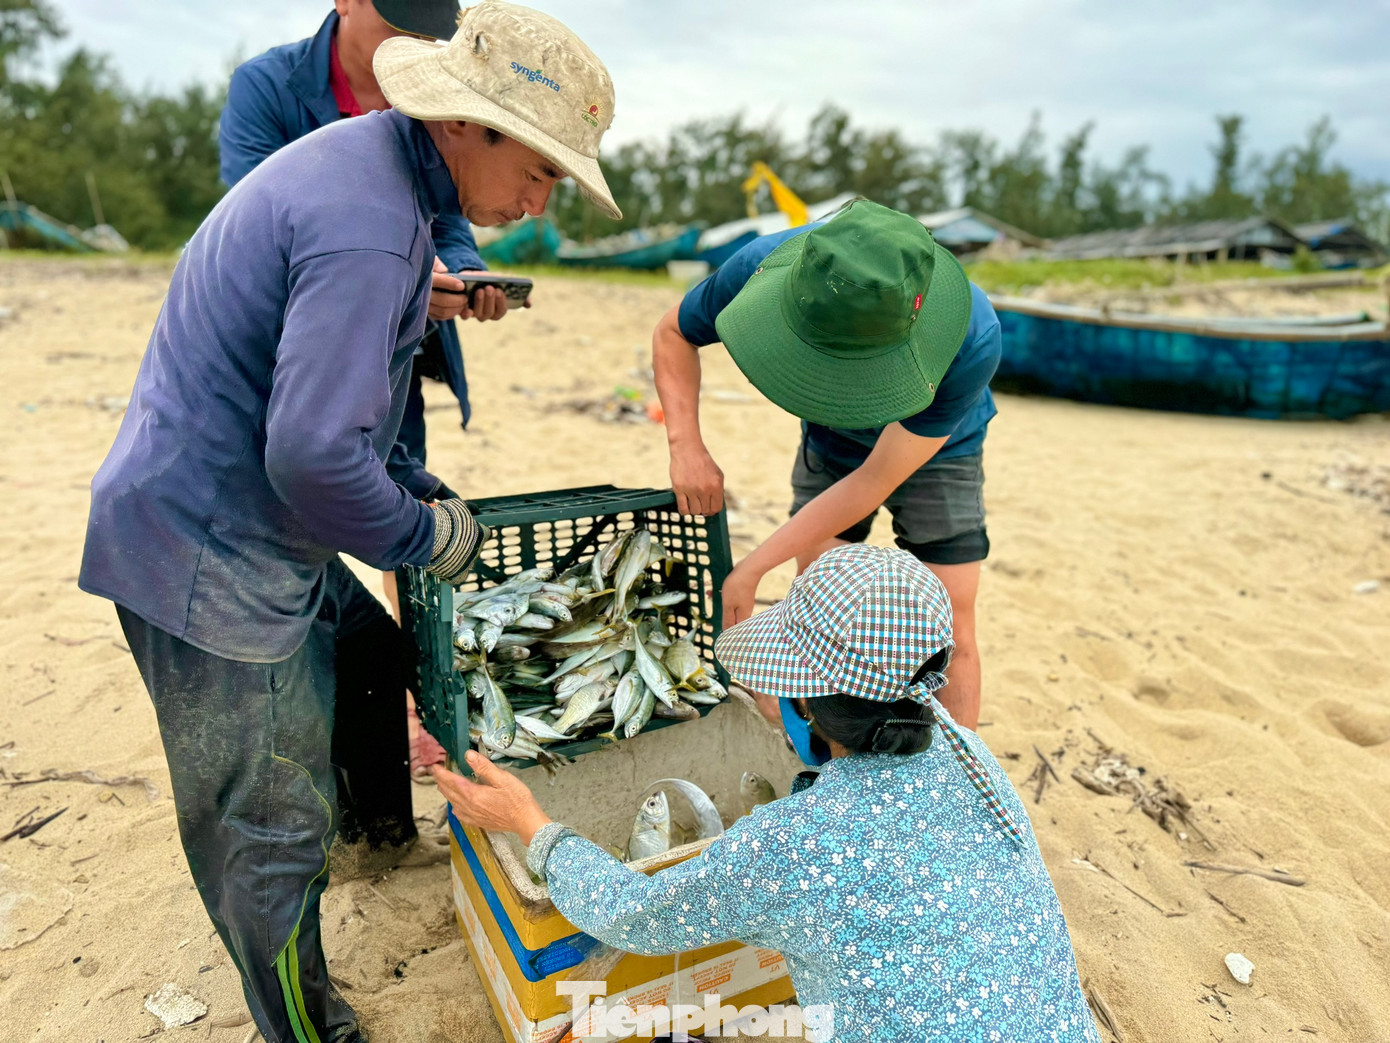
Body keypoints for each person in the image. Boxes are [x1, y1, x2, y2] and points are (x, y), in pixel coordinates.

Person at [78, 5, 621, 1041]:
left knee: (369, 651)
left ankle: (376, 833)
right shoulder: (374, 221)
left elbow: (341, 408)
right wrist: (425, 537)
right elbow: (313, 454)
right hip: (203, 544)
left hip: (250, 510)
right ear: (467, 124)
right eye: (542, 168)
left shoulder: (388, 181)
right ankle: (308, 1025)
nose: (542, 196)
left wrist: (411, 478)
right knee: (271, 833)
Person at [433, 544, 1100, 1042]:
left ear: (811, 707)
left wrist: (531, 823)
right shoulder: (968, 750)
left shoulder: (795, 845)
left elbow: (633, 913)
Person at [218, 0, 507, 774]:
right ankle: (369, 683)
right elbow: (256, 205)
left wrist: (460, 274)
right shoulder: (270, 86)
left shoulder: (440, 89)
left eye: (429, 26)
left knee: (388, 492)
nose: (413, 39)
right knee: (332, 489)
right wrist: (390, 270)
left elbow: (449, 213)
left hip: (398, 349)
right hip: (309, 341)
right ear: (345, 0)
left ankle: (418, 699)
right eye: (397, 18)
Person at [652, 200, 1000, 729]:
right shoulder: (761, 265)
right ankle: (822, 760)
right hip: (831, 442)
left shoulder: (972, 338)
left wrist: (751, 567)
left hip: (937, 446)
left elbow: (875, 478)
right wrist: (686, 446)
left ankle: (958, 791)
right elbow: (674, 333)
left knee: (953, 619)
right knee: (819, 601)